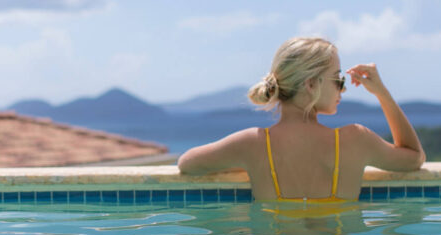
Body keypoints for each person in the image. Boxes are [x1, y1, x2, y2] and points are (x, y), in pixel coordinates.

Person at [177, 37, 425, 205]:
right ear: (310, 84)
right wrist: (381, 92)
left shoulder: (251, 144)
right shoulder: (356, 140)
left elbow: (187, 163)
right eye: (338, 80)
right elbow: (413, 157)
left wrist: (240, 161)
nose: (343, 90)